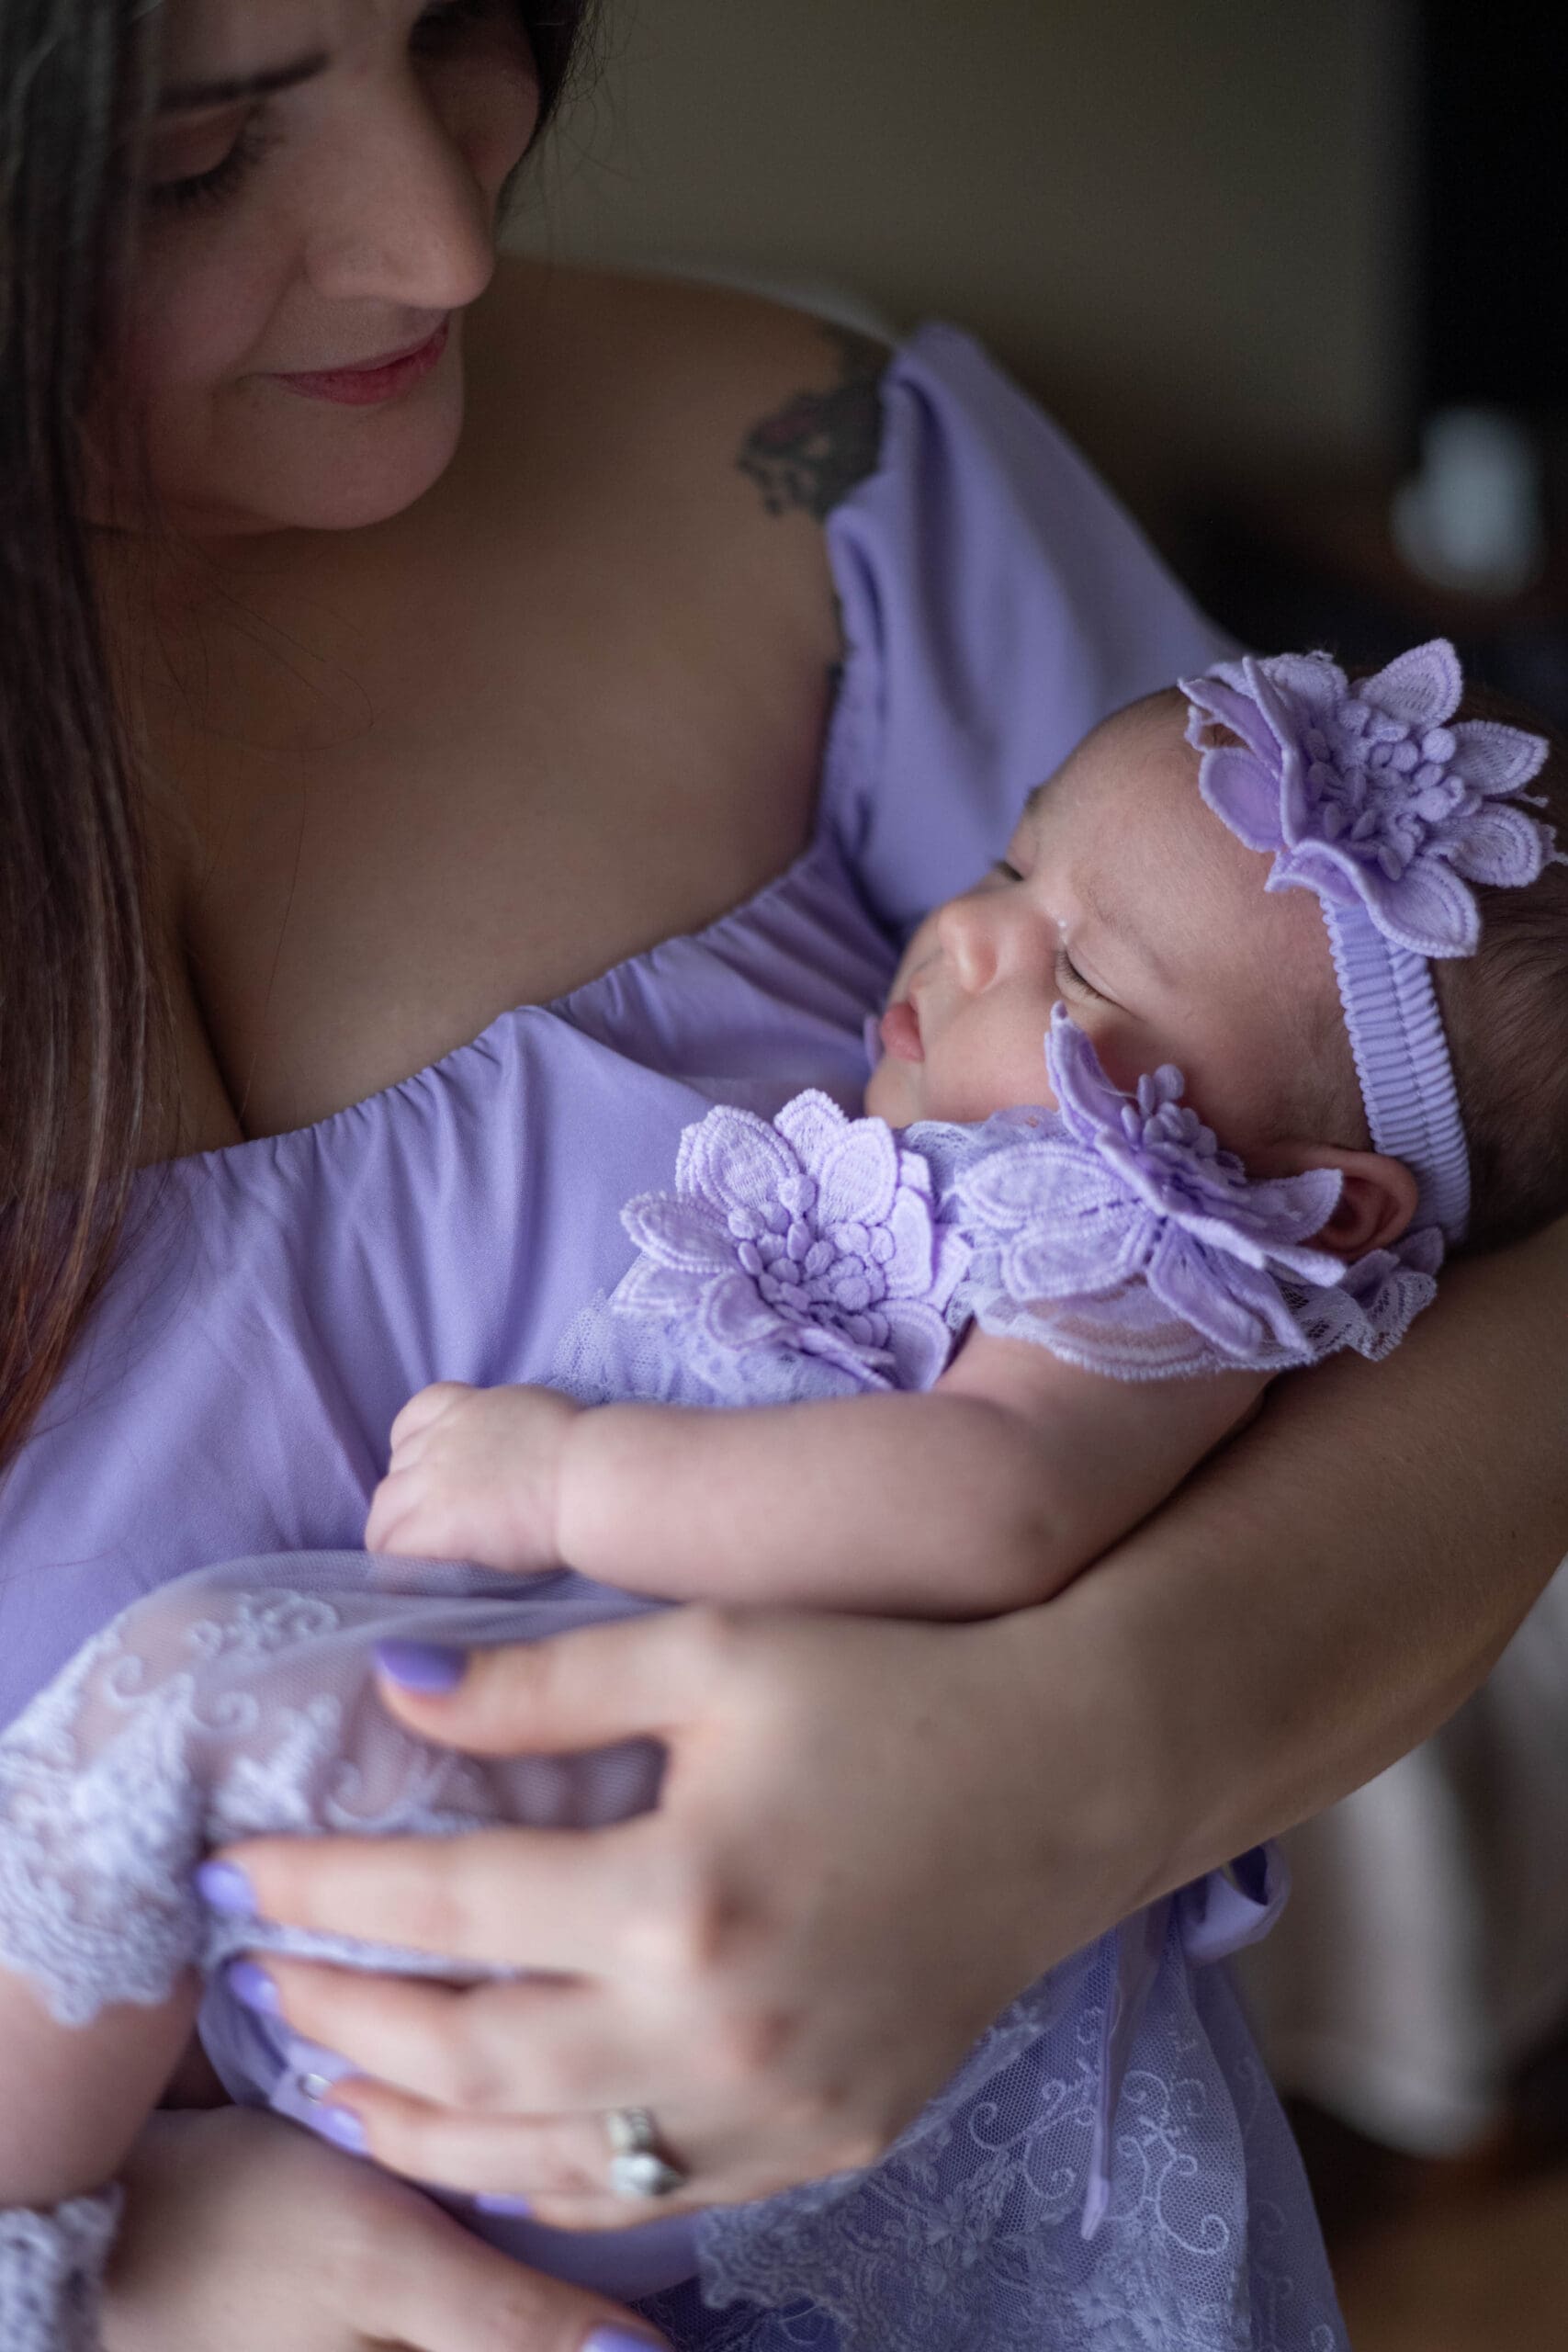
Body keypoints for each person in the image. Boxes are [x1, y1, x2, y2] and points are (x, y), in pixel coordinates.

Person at [3, 0, 1567, 2346]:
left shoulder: (832, 479)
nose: (441, 238)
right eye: (199, 154)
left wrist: (1066, 1765)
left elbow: (1473, 1234)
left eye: (454, 31)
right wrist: (109, 2268)